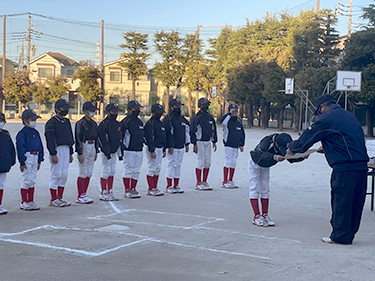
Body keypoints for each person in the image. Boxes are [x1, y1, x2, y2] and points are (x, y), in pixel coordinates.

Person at [287, 94, 369, 245]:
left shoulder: (326, 118)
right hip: (362, 166)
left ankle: (340, 236)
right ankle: (349, 233)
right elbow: (346, 138)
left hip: (344, 168)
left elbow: (310, 135)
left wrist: (293, 148)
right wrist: (328, 146)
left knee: (341, 201)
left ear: (322, 107)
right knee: (356, 202)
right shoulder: (349, 116)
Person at [249, 133, 304, 227]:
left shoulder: (283, 145)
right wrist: (274, 157)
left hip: (266, 166)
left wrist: (302, 157)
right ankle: (256, 216)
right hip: (255, 164)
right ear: (276, 143)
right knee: (255, 188)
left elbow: (290, 158)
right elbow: (261, 154)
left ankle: (265, 214)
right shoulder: (266, 141)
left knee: (265, 189)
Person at [45, 99, 74, 207]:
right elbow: (50, 139)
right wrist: (53, 153)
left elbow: (70, 137)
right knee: (56, 174)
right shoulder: (51, 123)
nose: (65, 111)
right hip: (57, 150)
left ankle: (60, 197)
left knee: (64, 174)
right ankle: (53, 198)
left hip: (66, 149)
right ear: (56, 109)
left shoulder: (66, 122)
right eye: (63, 109)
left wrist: (71, 152)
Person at [16, 110, 44, 211]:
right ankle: (24, 201)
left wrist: (40, 159)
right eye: (32, 119)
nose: (34, 122)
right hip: (28, 156)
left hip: (35, 156)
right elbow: (20, 148)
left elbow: (40, 146)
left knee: (32, 179)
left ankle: (31, 200)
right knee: (26, 179)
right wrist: (22, 162)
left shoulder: (35, 132)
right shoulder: (22, 133)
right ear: (25, 120)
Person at [163, 99, 190, 194]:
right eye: (177, 106)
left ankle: (176, 185)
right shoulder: (168, 119)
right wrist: (170, 146)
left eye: (180, 106)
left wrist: (187, 143)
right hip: (172, 146)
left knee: (178, 165)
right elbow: (168, 133)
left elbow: (186, 130)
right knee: (171, 164)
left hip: (181, 145)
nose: (179, 108)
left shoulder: (182, 118)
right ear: (171, 107)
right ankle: (169, 186)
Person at [75, 102, 100, 204]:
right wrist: (79, 152)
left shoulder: (94, 124)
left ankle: (84, 193)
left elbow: (97, 137)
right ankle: (80, 194)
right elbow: (78, 138)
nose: (93, 112)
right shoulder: (80, 123)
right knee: (83, 171)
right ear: (85, 111)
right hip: (84, 145)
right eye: (91, 110)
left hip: (92, 145)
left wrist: (96, 151)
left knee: (89, 172)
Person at [190, 98, 218, 191]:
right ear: (200, 106)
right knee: (200, 161)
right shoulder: (196, 117)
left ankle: (205, 181)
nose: (206, 106)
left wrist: (214, 141)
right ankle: (198, 183)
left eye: (207, 104)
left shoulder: (210, 117)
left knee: (208, 162)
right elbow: (192, 131)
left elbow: (214, 129)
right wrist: (194, 143)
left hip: (208, 141)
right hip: (199, 141)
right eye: (204, 104)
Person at [120, 100, 144, 199]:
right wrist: (122, 149)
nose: (137, 110)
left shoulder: (139, 121)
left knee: (137, 170)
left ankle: (133, 188)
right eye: (135, 109)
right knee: (128, 169)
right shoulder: (125, 121)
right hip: (129, 149)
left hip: (139, 148)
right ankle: (127, 190)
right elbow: (121, 136)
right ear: (129, 110)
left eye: (138, 108)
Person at [98, 103, 122, 201]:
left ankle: (110, 191)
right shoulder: (104, 124)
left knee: (112, 171)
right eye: (113, 112)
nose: (115, 113)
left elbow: (119, 138)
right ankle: (103, 192)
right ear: (107, 112)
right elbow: (101, 138)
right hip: (106, 151)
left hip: (114, 150)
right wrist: (105, 150)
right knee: (106, 170)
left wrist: (119, 152)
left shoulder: (117, 124)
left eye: (116, 111)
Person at [144, 103, 167, 196]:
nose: (160, 114)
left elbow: (164, 137)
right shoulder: (150, 124)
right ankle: (150, 188)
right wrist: (151, 150)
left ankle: (155, 187)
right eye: (158, 112)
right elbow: (149, 138)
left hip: (160, 148)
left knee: (158, 168)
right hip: (152, 148)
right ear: (153, 112)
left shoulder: (160, 123)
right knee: (152, 167)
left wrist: (164, 149)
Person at [221, 103, 245, 189]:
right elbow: (222, 121)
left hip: (236, 146)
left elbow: (242, 133)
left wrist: (241, 144)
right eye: (233, 111)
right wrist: (229, 114)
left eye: (236, 111)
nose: (235, 113)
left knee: (233, 162)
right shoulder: (227, 121)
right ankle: (225, 181)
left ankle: (230, 180)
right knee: (228, 161)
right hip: (228, 144)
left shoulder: (239, 122)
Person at [0, 113, 16, 215]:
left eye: (2, 121)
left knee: (1, 185)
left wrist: (11, 160)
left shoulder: (6, 134)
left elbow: (11, 148)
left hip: (3, 164)